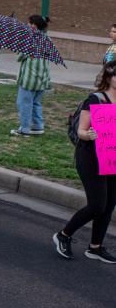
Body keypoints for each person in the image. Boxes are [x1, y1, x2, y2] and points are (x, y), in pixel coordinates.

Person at [53, 62, 116, 264]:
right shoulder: (95, 99)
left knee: (109, 204)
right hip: (90, 156)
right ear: (109, 76)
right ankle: (63, 235)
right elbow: (81, 131)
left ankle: (95, 248)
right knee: (97, 205)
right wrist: (88, 135)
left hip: (112, 157)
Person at [12, 14, 51, 136]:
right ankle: (38, 126)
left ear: (34, 25)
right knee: (36, 103)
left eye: (29, 23)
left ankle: (24, 129)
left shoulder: (30, 40)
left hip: (29, 79)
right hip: (42, 79)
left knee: (24, 103)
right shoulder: (47, 39)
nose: (27, 25)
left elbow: (20, 57)